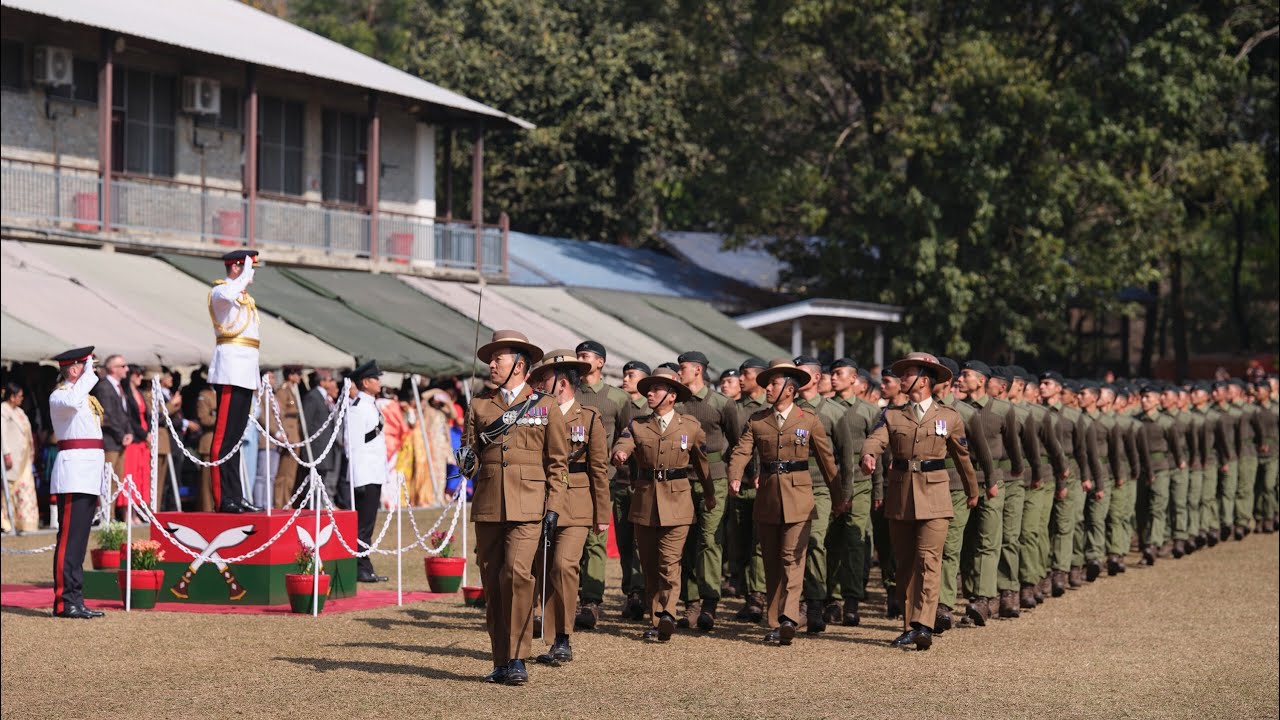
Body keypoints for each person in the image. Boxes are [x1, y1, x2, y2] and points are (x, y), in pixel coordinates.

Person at [466, 330, 570, 686]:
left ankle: (517, 658)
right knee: (493, 582)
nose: (492, 364)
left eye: (499, 359)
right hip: (490, 505)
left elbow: (558, 463)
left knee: (516, 574)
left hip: (529, 507)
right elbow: (472, 459)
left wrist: (554, 507)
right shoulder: (480, 405)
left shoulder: (546, 406)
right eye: (491, 359)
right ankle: (499, 660)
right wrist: (467, 462)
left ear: (520, 365)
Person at [860, 352, 978, 651]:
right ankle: (910, 625)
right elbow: (877, 439)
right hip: (901, 496)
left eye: (907, 374)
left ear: (924, 381)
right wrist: (868, 454)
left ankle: (925, 624)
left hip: (936, 497)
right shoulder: (892, 414)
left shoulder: (948, 416)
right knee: (906, 565)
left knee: (929, 561)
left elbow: (963, 458)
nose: (901, 379)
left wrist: (972, 490)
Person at [727, 359, 843, 645]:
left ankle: (789, 619)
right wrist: (735, 475)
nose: (768, 388)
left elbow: (828, 462)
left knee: (793, 557)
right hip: (767, 499)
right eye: (767, 384)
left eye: (774, 384)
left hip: (799, 499)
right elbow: (742, 451)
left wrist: (839, 497)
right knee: (771, 561)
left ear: (790, 390)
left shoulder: (809, 420)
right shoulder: (757, 420)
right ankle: (777, 617)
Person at [611, 367, 714, 643]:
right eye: (649, 390)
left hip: (678, 502)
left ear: (671, 395)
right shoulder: (637, 424)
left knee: (670, 561)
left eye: (656, 389)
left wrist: (710, 494)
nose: (650, 394)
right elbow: (624, 442)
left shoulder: (690, 427)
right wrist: (620, 453)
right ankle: (657, 620)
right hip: (645, 503)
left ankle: (667, 614)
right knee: (649, 563)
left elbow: (703, 466)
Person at [526, 350, 610, 665]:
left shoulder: (589, 418)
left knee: (563, 566)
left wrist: (602, 515)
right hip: (538, 501)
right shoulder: (533, 413)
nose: (537, 384)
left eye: (543, 378)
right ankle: (544, 637)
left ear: (561, 382)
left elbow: (599, 470)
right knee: (542, 570)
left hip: (575, 505)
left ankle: (563, 638)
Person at [674, 350, 740, 631]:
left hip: (714, 478)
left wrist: (737, 474)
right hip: (681, 479)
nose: (679, 373)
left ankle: (710, 602)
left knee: (709, 540)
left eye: (683, 368)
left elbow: (737, 442)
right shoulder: (675, 403)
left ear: (698, 370)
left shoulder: (722, 404)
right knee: (685, 540)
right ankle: (691, 603)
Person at [573, 340, 630, 630]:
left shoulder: (617, 398)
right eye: (578, 356)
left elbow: (628, 432)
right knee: (570, 538)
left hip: (601, 477)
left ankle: (591, 601)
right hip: (568, 476)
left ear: (600, 363)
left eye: (586, 356)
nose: (581, 360)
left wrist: (620, 450)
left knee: (595, 537)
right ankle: (569, 595)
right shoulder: (566, 392)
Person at [48, 347, 107, 619]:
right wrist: (86, 374)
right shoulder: (60, 395)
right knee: (69, 541)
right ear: (74, 370)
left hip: (88, 474)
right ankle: (64, 601)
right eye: (87, 365)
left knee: (80, 542)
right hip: (72, 475)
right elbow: (71, 401)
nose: (92, 370)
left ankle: (76, 598)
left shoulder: (84, 396)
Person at [207, 249, 262, 513]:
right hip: (229, 371)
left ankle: (235, 495)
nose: (252, 277)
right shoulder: (222, 292)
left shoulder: (243, 296)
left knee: (235, 439)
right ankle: (222, 498)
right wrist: (243, 276)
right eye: (250, 269)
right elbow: (228, 294)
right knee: (223, 439)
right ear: (237, 267)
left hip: (244, 372)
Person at [346, 360, 389, 583]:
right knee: (362, 525)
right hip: (364, 474)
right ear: (365, 382)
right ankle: (360, 567)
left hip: (374, 472)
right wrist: (357, 478)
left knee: (368, 524)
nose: (379, 382)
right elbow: (351, 446)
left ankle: (364, 564)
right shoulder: (357, 408)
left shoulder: (371, 404)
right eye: (375, 378)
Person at [91, 354, 131, 499]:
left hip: (119, 441)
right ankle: (106, 515)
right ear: (113, 369)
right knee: (107, 480)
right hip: (110, 440)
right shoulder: (104, 388)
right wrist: (121, 435)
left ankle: (111, 516)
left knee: (116, 481)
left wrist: (129, 432)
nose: (127, 369)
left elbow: (124, 413)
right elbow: (107, 415)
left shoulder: (119, 388)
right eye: (123, 366)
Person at [2, 382, 39, 533]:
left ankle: (24, 522)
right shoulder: (3, 410)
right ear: (11, 397)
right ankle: (6, 521)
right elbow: (2, 434)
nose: (21, 399)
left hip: (24, 458)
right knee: (8, 489)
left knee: (25, 488)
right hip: (12, 457)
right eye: (19, 396)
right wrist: (6, 454)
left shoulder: (19, 412)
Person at [117, 365, 152, 516]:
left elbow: (146, 415)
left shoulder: (139, 393)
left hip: (143, 439)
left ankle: (136, 512)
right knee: (129, 475)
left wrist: (148, 433)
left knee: (140, 475)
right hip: (134, 437)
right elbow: (130, 419)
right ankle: (127, 512)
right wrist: (144, 434)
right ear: (131, 375)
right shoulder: (125, 394)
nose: (140, 377)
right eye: (138, 374)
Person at [272, 366, 304, 509]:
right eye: (297, 373)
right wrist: (285, 435)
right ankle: (280, 502)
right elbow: (280, 415)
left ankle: (287, 501)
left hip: (295, 435)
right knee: (283, 474)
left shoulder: (293, 391)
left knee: (291, 474)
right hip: (288, 435)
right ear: (290, 375)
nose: (299, 377)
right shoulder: (283, 391)